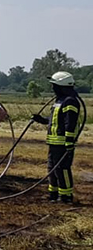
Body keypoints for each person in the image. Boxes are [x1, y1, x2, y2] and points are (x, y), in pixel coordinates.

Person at [32, 71, 83, 203]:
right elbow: (54, 120)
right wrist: (41, 120)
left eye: (54, 85)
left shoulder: (70, 101)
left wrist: (69, 141)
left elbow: (69, 123)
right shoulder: (59, 101)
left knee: (62, 169)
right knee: (52, 168)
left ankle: (66, 196)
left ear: (61, 86)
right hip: (54, 142)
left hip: (63, 143)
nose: (52, 88)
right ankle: (53, 194)